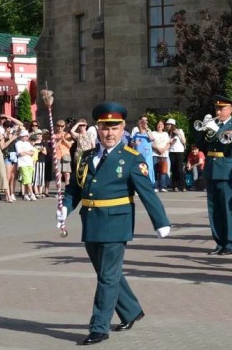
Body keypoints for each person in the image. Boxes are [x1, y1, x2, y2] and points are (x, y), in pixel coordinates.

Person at [59, 101, 170, 346]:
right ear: (97, 129)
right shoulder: (86, 157)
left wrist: (160, 221)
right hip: (91, 223)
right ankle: (131, 311)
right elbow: (75, 188)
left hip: (116, 224)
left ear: (123, 129)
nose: (109, 133)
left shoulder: (131, 158)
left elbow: (147, 192)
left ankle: (99, 327)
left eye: (115, 128)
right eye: (104, 128)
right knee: (108, 274)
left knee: (107, 278)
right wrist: (65, 207)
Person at [197, 95, 232, 255]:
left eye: (222, 108)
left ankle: (230, 243)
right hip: (211, 169)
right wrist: (203, 128)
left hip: (226, 170)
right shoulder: (211, 125)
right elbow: (200, 144)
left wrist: (217, 129)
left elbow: (231, 148)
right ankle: (219, 242)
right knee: (213, 208)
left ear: (230, 109)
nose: (218, 111)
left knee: (227, 208)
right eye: (217, 108)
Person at [130, 115, 155, 186]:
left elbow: (152, 139)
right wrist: (135, 143)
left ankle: (149, 183)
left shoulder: (148, 131)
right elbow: (131, 143)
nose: (143, 123)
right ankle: (139, 184)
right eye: (142, 121)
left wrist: (146, 129)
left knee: (148, 167)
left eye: (145, 121)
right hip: (138, 153)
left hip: (147, 154)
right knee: (138, 168)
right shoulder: (136, 133)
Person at [14, 129, 36, 201]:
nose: (26, 137)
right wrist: (28, 152)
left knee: (29, 179)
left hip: (29, 162)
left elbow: (32, 152)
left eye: (27, 136)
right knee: (27, 179)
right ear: (21, 136)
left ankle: (26, 194)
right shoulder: (18, 143)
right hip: (22, 163)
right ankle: (32, 193)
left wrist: (26, 152)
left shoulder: (28, 143)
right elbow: (20, 153)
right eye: (24, 136)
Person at [166, 118, 187, 191]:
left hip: (180, 151)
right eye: (167, 124)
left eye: (168, 124)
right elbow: (167, 143)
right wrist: (171, 142)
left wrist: (179, 134)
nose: (167, 126)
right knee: (174, 168)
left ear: (172, 125)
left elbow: (184, 141)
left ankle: (183, 186)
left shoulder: (180, 130)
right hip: (171, 151)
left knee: (180, 169)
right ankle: (175, 186)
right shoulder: (168, 133)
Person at [53, 119, 73, 189]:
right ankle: (58, 190)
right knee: (58, 174)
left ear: (64, 126)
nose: (60, 128)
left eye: (62, 126)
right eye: (58, 126)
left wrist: (64, 139)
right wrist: (60, 140)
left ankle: (67, 189)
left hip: (65, 155)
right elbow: (54, 147)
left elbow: (70, 146)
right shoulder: (54, 135)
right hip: (57, 156)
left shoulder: (67, 135)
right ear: (56, 126)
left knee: (67, 173)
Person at [151, 120, 170, 192]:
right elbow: (151, 143)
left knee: (163, 171)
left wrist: (163, 149)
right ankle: (155, 186)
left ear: (163, 126)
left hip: (164, 154)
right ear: (156, 125)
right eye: (158, 124)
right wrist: (158, 149)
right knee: (155, 170)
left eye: (161, 124)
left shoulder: (166, 134)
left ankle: (163, 186)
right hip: (155, 154)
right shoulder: (153, 133)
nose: (160, 126)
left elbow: (168, 143)